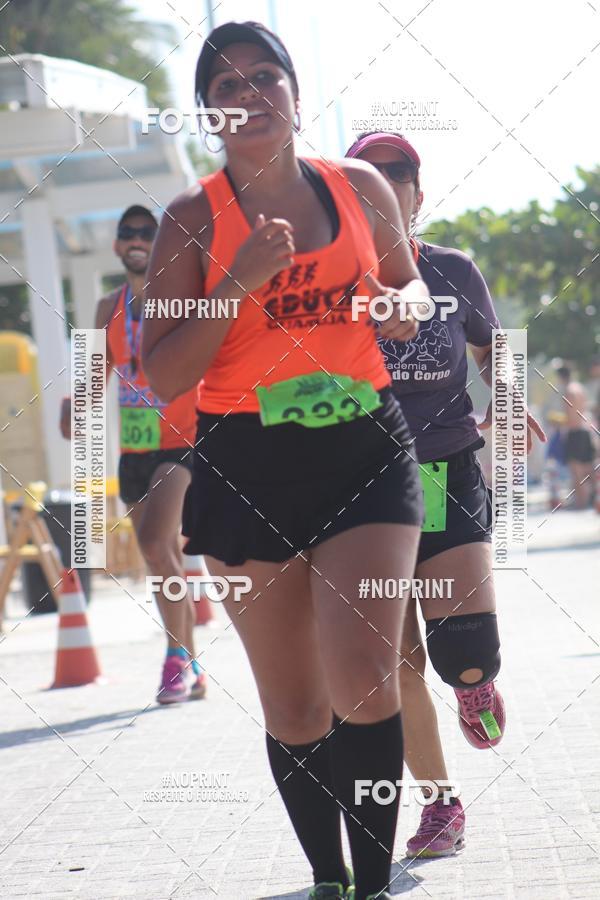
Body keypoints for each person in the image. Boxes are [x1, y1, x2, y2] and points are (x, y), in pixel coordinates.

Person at [142, 20, 432, 900]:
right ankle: (329, 878)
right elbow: (161, 375)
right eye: (226, 88)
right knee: (297, 706)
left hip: (363, 447)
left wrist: (406, 306)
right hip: (245, 464)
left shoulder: (362, 186)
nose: (249, 96)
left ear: (297, 95)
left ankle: (374, 883)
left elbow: (406, 279)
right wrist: (237, 280)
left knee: (362, 671)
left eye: (265, 76)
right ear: (209, 118)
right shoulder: (191, 221)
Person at [345, 131, 546, 858]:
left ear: (418, 194)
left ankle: (473, 685)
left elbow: (497, 348)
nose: (388, 183)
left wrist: (511, 399)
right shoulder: (334, 284)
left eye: (401, 172)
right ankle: (440, 806)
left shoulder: (452, 269)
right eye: (372, 173)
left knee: (462, 652)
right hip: (360, 486)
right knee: (390, 664)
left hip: (443, 469)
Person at [60, 205, 206, 705]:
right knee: (158, 555)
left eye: (149, 232)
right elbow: (95, 373)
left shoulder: (185, 301)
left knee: (152, 541)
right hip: (135, 450)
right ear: (119, 245)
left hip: (181, 444)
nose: (138, 239)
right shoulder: (108, 307)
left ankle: (175, 660)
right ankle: (189, 660)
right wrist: (73, 404)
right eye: (129, 233)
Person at [555, 363, 596, 508]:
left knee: (576, 469)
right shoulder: (580, 388)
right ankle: (593, 497)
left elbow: (570, 417)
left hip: (575, 432)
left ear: (561, 377)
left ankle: (581, 502)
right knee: (589, 467)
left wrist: (559, 423)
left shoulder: (568, 391)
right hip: (585, 430)